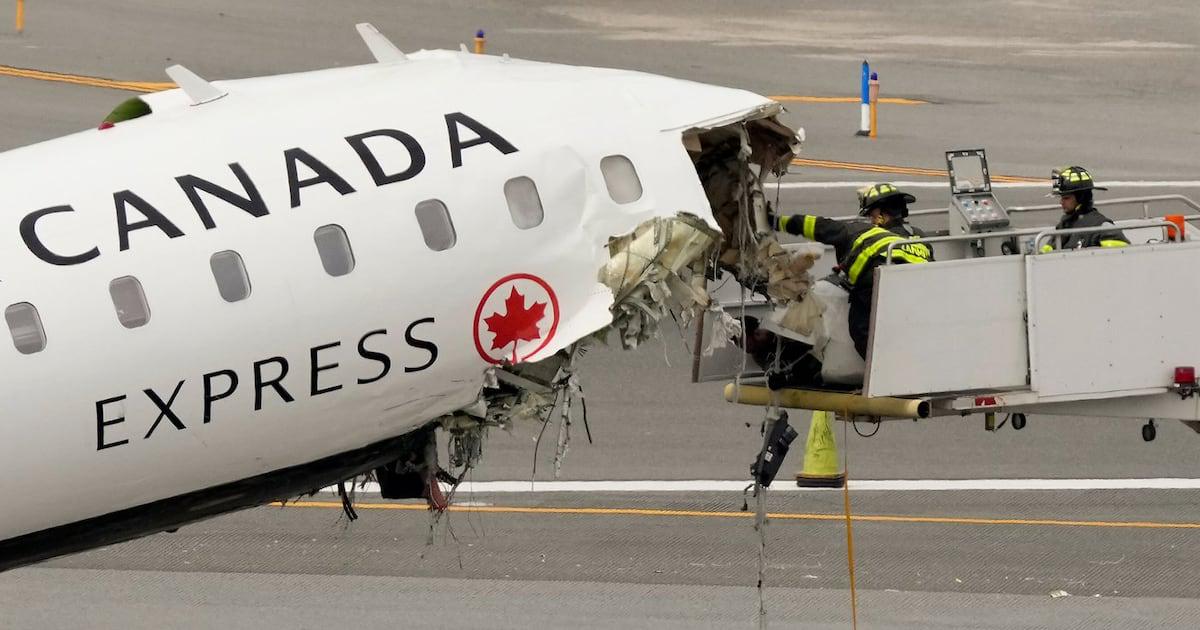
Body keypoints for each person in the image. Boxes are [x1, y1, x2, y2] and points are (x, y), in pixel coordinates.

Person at [773, 183, 932, 359]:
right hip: (918, 294)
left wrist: (779, 222)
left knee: (861, 331)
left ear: (881, 214)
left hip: (876, 289)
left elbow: (820, 226)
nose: (871, 220)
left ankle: (881, 368)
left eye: (871, 215)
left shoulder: (864, 231)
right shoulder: (919, 236)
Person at [1042, 166, 1128, 251]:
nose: (1061, 202)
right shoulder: (1064, 225)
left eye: (1066, 198)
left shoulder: (1103, 228)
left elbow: (1119, 255)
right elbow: (1045, 253)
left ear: (1081, 198)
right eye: (1061, 198)